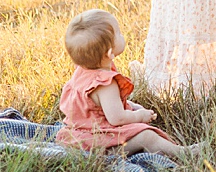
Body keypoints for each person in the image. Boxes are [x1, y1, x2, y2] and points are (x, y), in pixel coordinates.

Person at [55, 9, 198, 158]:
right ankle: (184, 153)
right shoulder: (105, 84)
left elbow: (97, 106)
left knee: (138, 128)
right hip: (101, 145)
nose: (122, 34)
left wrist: (131, 106)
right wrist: (139, 116)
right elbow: (117, 118)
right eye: (118, 33)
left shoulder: (82, 72)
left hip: (77, 137)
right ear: (109, 53)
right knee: (146, 137)